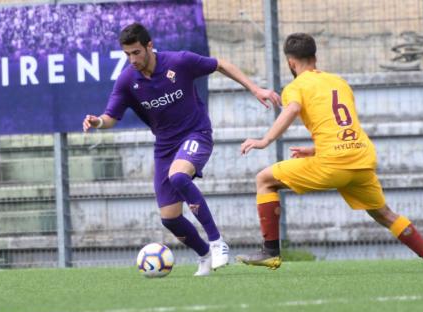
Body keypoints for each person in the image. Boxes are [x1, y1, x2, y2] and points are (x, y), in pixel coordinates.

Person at [236, 33, 423, 272]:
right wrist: (315, 149)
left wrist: (265, 140)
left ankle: (270, 251)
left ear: (291, 63)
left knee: (264, 180)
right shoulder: (339, 82)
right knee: (385, 215)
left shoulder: (296, 87)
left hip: (333, 163)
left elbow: (293, 108)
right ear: (315, 57)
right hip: (361, 159)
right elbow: (345, 126)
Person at [83, 22, 281, 276]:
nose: (132, 59)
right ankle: (205, 256)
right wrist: (97, 121)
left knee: (178, 176)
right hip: (165, 146)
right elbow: (110, 117)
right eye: (127, 54)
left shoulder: (179, 62)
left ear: (149, 46)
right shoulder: (127, 81)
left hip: (196, 133)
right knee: (170, 217)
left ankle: (217, 241)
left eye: (136, 52)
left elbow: (221, 64)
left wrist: (255, 88)